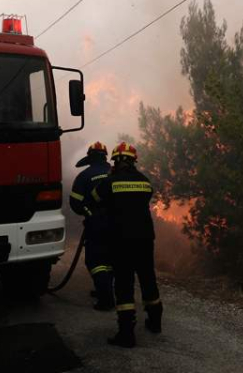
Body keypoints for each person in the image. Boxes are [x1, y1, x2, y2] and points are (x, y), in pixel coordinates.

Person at [91, 142, 162, 348]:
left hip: (121, 241)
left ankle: (126, 334)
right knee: (148, 278)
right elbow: (147, 196)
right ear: (133, 162)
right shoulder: (144, 181)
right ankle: (155, 322)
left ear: (115, 162)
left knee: (124, 284)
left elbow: (95, 198)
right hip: (145, 239)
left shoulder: (110, 182)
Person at [69, 141, 115, 311]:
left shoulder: (84, 176)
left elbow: (75, 203)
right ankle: (105, 289)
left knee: (95, 261)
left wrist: (89, 213)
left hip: (96, 226)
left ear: (90, 157)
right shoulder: (115, 173)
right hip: (118, 224)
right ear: (105, 157)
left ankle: (106, 299)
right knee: (110, 260)